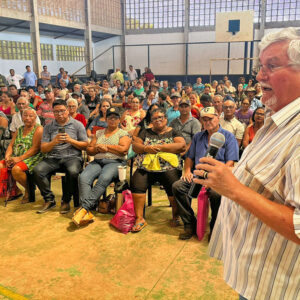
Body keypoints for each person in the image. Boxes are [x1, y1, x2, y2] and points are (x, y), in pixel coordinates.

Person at [193, 27, 300, 300]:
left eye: (271, 66)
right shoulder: (276, 119)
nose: (260, 76)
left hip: (277, 287)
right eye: (260, 67)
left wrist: (235, 190)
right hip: (257, 272)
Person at [172, 106, 238, 240]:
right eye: (204, 119)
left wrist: (215, 178)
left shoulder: (228, 137)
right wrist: (187, 171)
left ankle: (215, 226)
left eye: (210, 118)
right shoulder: (198, 136)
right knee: (178, 187)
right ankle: (190, 223)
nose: (207, 122)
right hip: (198, 176)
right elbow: (189, 157)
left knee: (216, 194)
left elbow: (230, 162)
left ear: (217, 117)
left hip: (218, 177)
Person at [73, 108, 131, 226]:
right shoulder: (99, 133)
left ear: (119, 120)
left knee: (104, 178)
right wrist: (96, 149)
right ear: (106, 119)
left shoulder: (123, 133)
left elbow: (124, 150)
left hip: (115, 162)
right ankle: (88, 210)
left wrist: (106, 147)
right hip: (98, 161)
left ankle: (84, 208)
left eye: (115, 117)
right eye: (110, 117)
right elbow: (89, 150)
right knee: (83, 177)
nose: (112, 120)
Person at [131, 108, 186, 231]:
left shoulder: (174, 132)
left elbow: (181, 146)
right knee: (136, 183)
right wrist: (146, 149)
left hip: (168, 167)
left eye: (161, 117)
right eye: (155, 118)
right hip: (146, 167)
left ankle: (176, 215)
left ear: (166, 119)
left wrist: (160, 147)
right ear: (151, 121)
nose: (158, 120)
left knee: (174, 185)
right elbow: (135, 146)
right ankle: (139, 219)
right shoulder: (145, 132)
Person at [33, 99, 88, 214]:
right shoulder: (48, 126)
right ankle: (49, 199)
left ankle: (66, 200)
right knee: (37, 170)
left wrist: (70, 140)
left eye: (62, 111)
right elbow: (43, 149)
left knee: (73, 172)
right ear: (53, 112)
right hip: (53, 157)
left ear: (68, 110)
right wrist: (54, 142)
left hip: (72, 157)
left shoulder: (77, 125)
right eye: (56, 112)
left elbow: (85, 145)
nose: (59, 114)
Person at [0, 108, 44, 203]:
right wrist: (8, 156)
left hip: (32, 157)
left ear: (35, 117)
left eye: (30, 116)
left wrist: (19, 158)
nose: (27, 118)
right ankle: (14, 191)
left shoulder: (39, 129)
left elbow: (36, 148)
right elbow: (11, 145)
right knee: (1, 165)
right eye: (25, 115)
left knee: (16, 169)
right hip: (16, 156)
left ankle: (29, 190)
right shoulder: (19, 129)